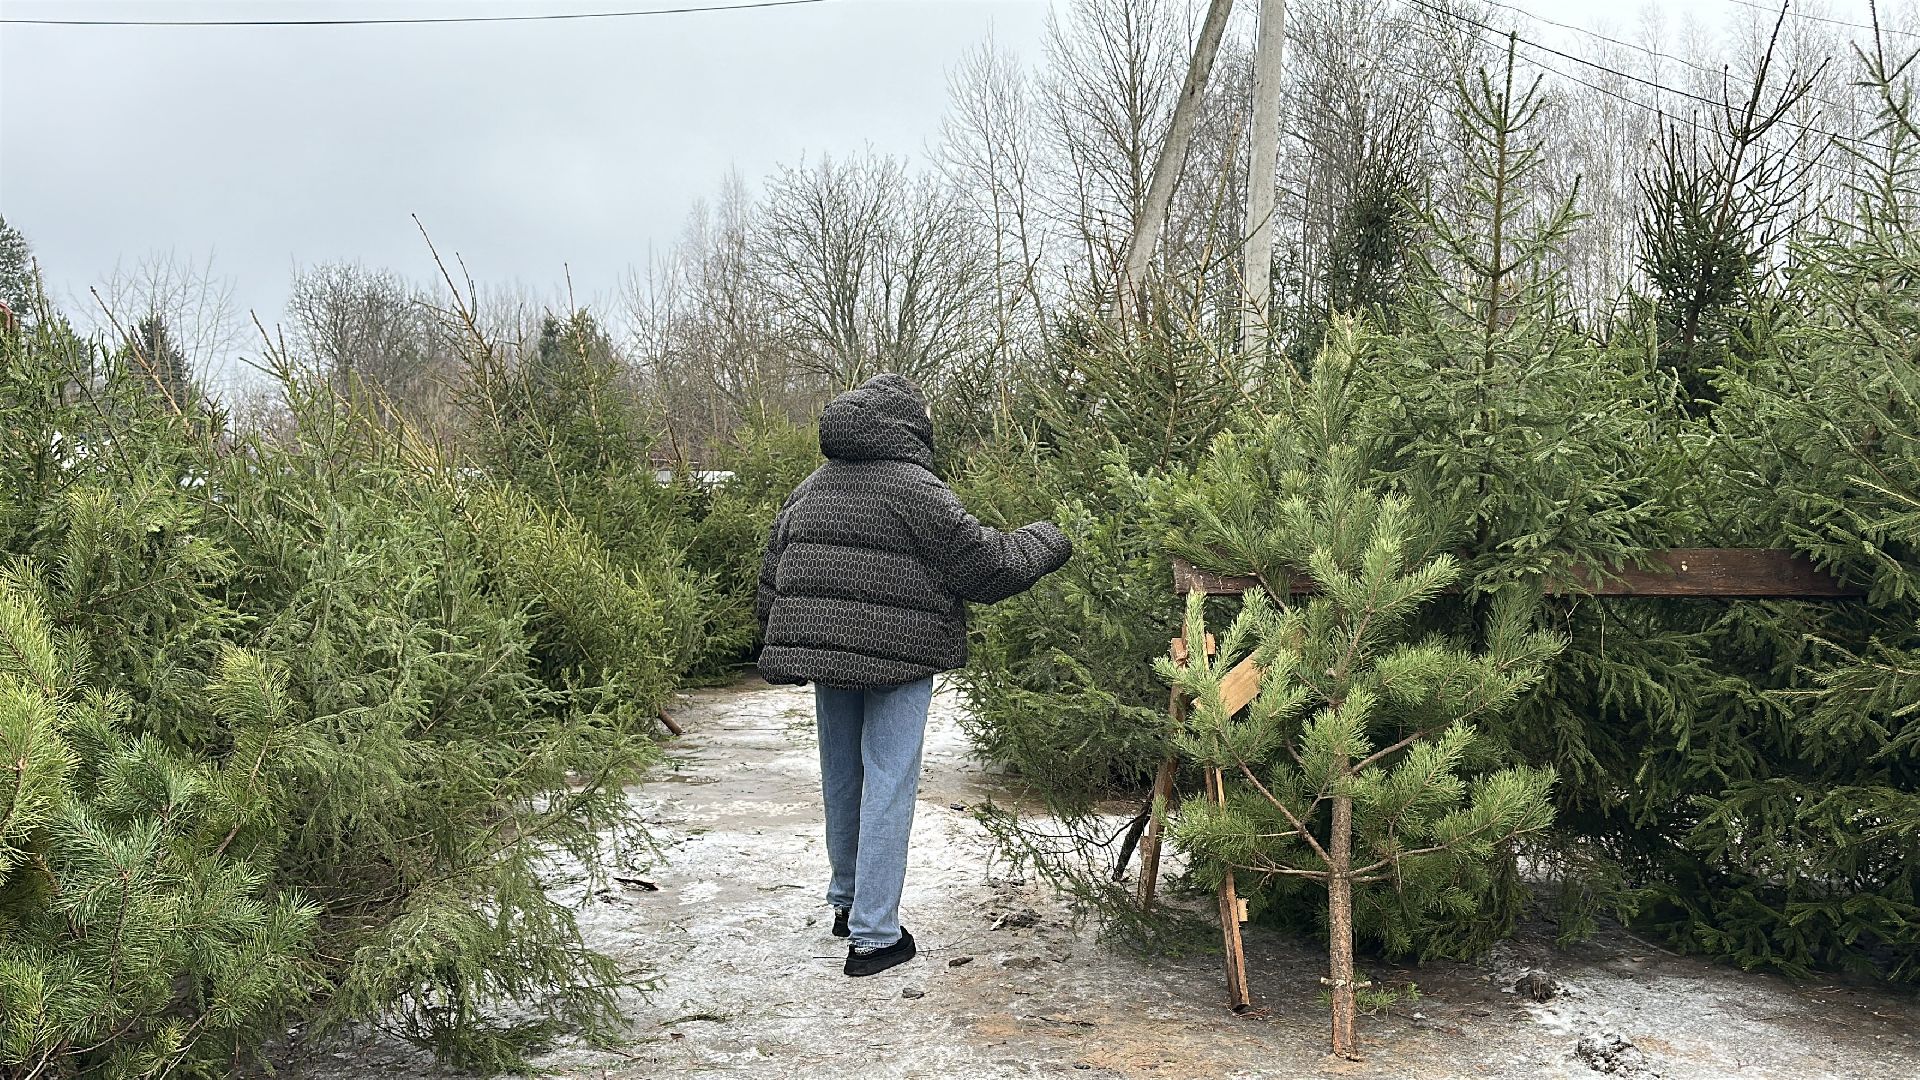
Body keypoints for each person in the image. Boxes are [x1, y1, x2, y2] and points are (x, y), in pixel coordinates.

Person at [756, 373, 1073, 977]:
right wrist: (1049, 537)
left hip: (826, 656)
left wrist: (776, 638)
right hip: (900, 655)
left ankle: (849, 903)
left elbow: (773, 573)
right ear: (906, 426)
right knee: (889, 779)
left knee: (843, 777)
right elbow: (988, 567)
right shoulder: (916, 490)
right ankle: (875, 935)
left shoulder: (809, 489)